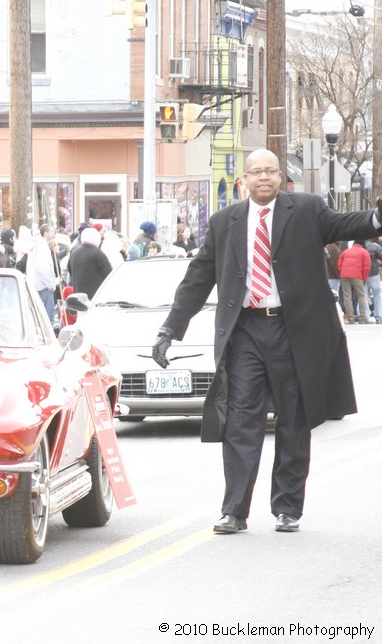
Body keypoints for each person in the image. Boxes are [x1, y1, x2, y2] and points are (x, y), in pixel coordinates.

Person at [152, 148, 382, 535]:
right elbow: (196, 279)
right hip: (245, 331)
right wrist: (169, 330)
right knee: (241, 420)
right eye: (256, 172)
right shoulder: (226, 222)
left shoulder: (307, 210)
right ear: (245, 179)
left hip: (295, 331)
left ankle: (288, 508)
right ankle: (234, 510)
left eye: (270, 172)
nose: (263, 178)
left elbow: (353, 222)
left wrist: (377, 215)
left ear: (280, 177)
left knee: (294, 419)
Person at [27, 224, 60, 323]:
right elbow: (43, 269)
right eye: (51, 231)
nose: (53, 233)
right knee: (47, 321)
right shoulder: (42, 247)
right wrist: (51, 284)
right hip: (44, 287)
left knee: (39, 320)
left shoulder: (36, 247)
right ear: (45, 233)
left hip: (38, 286)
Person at [67, 226, 112, 297]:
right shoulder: (98, 253)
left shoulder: (74, 252)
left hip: (78, 293)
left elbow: (70, 270)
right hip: (95, 294)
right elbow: (108, 274)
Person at [338, 240, 370, 324]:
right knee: (361, 295)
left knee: (347, 296)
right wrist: (364, 279)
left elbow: (339, 265)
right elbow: (366, 267)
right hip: (357, 275)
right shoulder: (364, 252)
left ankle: (350, 317)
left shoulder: (345, 251)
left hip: (344, 275)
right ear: (362, 244)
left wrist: (343, 272)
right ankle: (363, 317)